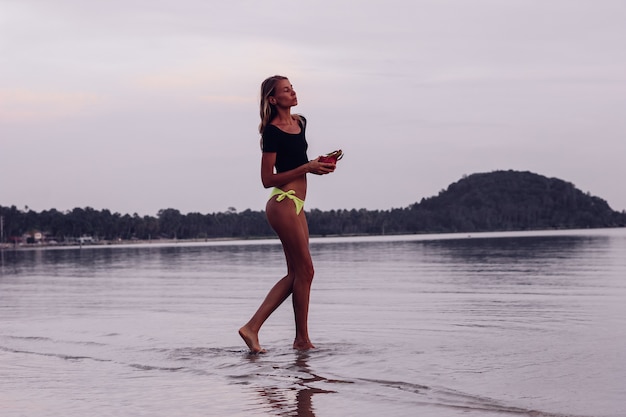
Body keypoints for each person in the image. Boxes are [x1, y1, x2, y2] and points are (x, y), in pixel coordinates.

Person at [238, 75, 337, 353]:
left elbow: (297, 162)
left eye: (292, 87)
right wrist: (307, 168)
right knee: (305, 270)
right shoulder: (271, 132)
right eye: (285, 90)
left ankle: (269, 332)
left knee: (298, 272)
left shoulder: (300, 122)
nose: (292, 92)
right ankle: (297, 338)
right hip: (282, 202)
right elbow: (267, 179)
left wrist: (318, 164)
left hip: (297, 205)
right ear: (273, 99)